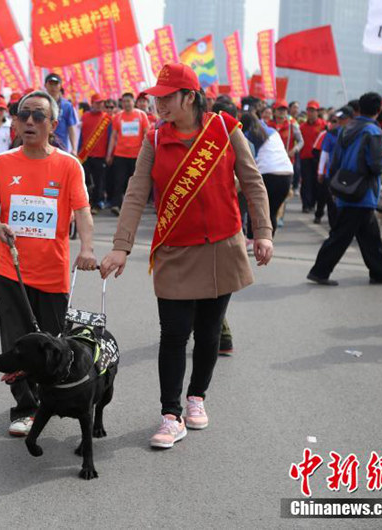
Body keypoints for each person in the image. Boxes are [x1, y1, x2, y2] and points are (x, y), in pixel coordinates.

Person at [100, 63, 272, 449]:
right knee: (173, 334)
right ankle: (170, 415)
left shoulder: (225, 131)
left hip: (221, 249)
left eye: (165, 97)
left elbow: (252, 182)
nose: (157, 104)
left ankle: (197, 398)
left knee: (210, 332)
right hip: (175, 251)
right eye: (155, 98)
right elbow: (135, 192)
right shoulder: (155, 139)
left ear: (189, 97)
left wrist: (262, 232)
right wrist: (121, 246)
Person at [0, 90, 97, 437]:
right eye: (23, 114)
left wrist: (87, 247)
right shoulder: (3, 162)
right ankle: (25, 407)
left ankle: (56, 397)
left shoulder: (68, 165)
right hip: (10, 270)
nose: (29, 121)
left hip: (53, 272)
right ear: (15, 121)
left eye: (38, 116)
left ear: (53, 124)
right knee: (16, 343)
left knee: (54, 344)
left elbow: (83, 211)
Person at [307, 92, 382, 286]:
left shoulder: (347, 128)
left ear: (358, 109)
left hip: (346, 187)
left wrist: (334, 184)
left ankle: (379, 273)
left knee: (369, 235)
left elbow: (335, 160)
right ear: (379, 110)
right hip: (363, 191)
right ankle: (320, 271)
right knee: (341, 236)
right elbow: (375, 165)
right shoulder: (373, 132)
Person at [240, 113, 294, 236]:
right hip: (287, 173)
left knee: (256, 208)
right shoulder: (273, 132)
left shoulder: (248, 135)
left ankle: (252, 240)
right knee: (272, 212)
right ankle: (268, 241)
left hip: (267, 174)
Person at [106, 92, 151, 216]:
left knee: (134, 183)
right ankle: (116, 205)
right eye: (124, 101)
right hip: (120, 154)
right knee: (119, 181)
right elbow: (113, 137)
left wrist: (147, 153)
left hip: (137, 155)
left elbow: (147, 135)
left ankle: (134, 207)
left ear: (133, 102)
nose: (126, 104)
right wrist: (109, 154)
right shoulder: (118, 117)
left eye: (129, 101)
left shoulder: (141, 115)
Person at [78, 93, 112, 214]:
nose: (99, 105)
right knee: (85, 180)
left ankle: (98, 203)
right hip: (85, 155)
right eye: (97, 103)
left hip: (100, 155)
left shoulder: (107, 118)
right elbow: (79, 136)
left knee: (99, 181)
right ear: (92, 103)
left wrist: (109, 154)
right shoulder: (84, 117)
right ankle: (87, 202)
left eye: (101, 103)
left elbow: (110, 138)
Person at [299, 100, 326, 214]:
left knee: (316, 183)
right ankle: (306, 204)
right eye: (309, 110)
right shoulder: (302, 127)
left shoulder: (323, 125)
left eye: (313, 110)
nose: (311, 113)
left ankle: (313, 204)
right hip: (305, 157)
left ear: (317, 112)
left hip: (318, 159)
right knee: (306, 182)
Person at [44, 72, 78, 153]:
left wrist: (74, 148)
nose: (53, 87)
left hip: (61, 146)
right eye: (50, 84)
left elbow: (71, 127)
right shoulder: (41, 103)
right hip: (43, 145)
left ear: (60, 86)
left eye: (56, 84)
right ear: (45, 85)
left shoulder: (67, 105)